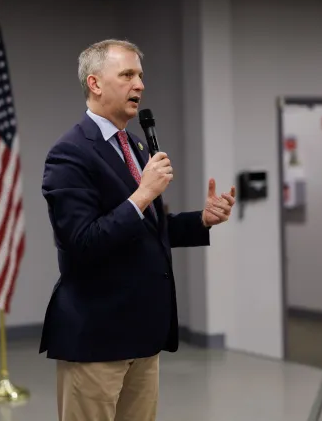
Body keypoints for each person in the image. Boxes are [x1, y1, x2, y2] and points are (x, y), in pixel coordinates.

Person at [39, 39, 236, 421]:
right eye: (127, 74)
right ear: (95, 84)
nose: (140, 84)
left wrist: (201, 220)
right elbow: (82, 243)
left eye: (141, 75)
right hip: (97, 336)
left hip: (142, 334)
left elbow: (148, 228)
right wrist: (144, 193)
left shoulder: (134, 146)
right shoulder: (70, 154)